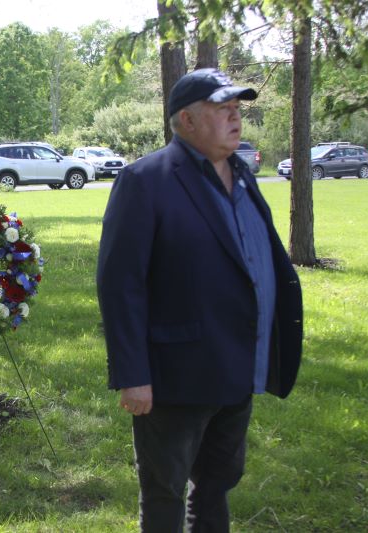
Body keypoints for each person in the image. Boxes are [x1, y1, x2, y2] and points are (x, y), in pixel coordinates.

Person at [96, 68, 303, 532]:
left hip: (238, 366)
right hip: (175, 375)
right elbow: (120, 283)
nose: (235, 115)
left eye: (237, 107)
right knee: (165, 490)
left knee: (217, 484)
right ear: (186, 121)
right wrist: (133, 375)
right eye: (222, 107)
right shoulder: (145, 181)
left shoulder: (244, 177)